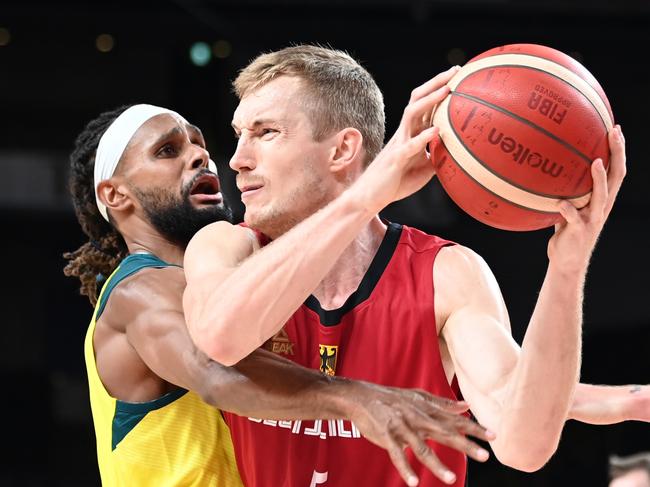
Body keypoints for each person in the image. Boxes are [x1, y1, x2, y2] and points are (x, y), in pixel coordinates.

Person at [183, 45, 646, 487]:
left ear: (343, 150)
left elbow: (523, 444)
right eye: (240, 134)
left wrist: (567, 269)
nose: (238, 160)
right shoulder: (226, 247)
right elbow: (222, 336)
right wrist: (365, 198)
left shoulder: (446, 274)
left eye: (266, 133)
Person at [63, 104, 495, 486]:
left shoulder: (225, 279)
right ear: (115, 195)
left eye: (199, 142)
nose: (200, 155)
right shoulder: (139, 289)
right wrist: (359, 397)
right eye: (167, 151)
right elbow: (216, 373)